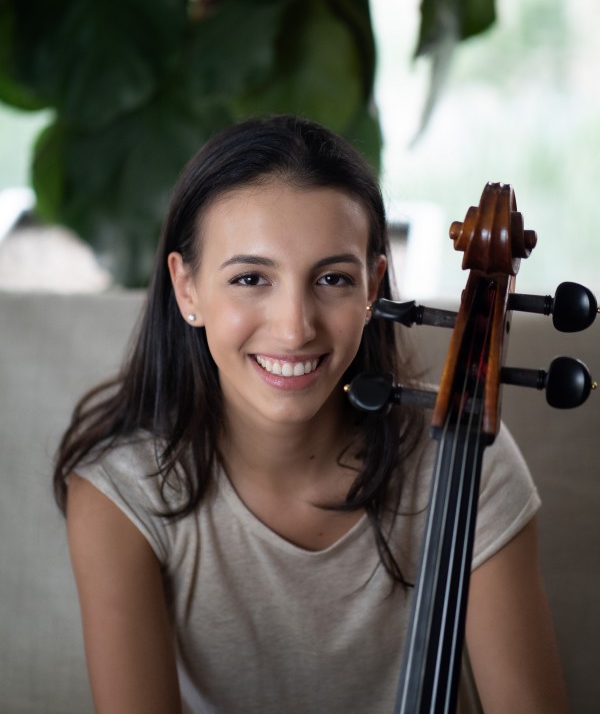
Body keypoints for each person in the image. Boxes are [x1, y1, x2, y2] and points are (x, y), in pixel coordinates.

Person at [54, 115, 568, 714]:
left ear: (373, 287)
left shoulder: (470, 459)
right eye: (250, 277)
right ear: (187, 288)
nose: (295, 327)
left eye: (332, 278)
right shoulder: (122, 497)